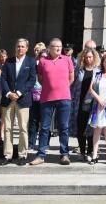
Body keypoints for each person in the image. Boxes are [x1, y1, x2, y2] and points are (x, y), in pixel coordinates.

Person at [31, 38, 75, 166]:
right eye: (56, 46)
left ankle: (64, 154)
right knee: (44, 128)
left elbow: (71, 77)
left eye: (60, 47)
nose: (59, 49)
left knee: (64, 127)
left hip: (64, 98)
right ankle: (41, 155)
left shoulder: (67, 59)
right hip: (47, 98)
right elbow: (40, 79)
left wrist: (62, 87)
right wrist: (50, 88)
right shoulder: (43, 62)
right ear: (49, 48)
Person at [0, 37, 36, 165]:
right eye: (18, 46)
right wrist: (9, 93)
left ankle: (22, 155)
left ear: (26, 48)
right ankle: (8, 155)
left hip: (23, 99)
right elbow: (2, 79)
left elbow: (31, 81)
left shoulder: (31, 62)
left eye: (22, 46)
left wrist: (19, 93)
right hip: (8, 99)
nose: (19, 48)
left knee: (23, 128)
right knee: (7, 129)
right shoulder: (8, 62)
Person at [72, 47, 98, 158]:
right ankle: (82, 151)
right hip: (79, 101)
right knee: (81, 127)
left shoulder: (98, 70)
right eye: (86, 57)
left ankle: (90, 151)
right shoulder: (78, 69)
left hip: (93, 102)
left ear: (94, 57)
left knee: (91, 127)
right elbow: (73, 84)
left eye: (90, 57)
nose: (88, 59)